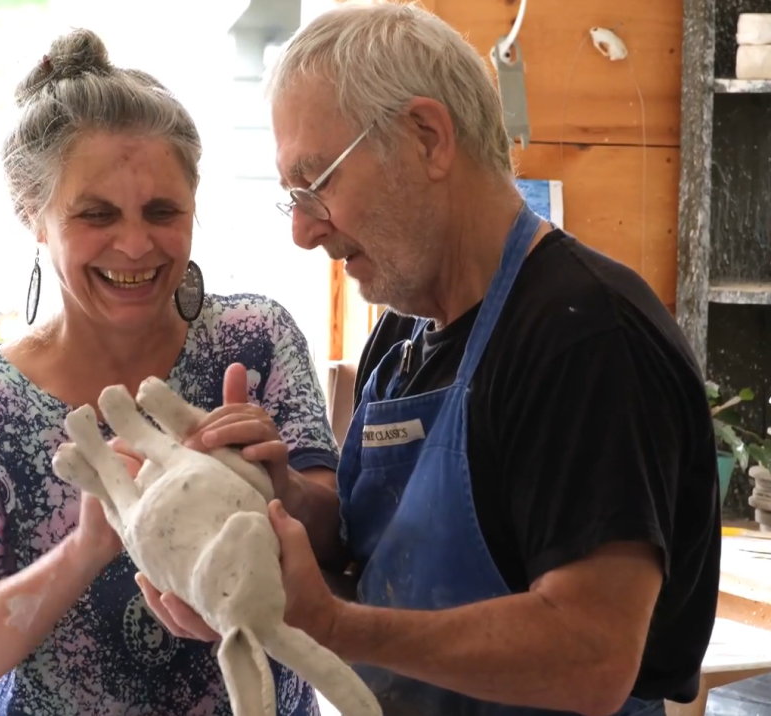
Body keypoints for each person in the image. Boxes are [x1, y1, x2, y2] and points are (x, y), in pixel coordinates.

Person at [138, 4, 722, 716]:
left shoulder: (585, 334)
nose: (302, 230)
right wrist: (280, 502)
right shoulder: (400, 339)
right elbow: (377, 567)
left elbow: (593, 652)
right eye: (291, 197)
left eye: (316, 183)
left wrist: (330, 625)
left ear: (427, 138)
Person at [0, 28, 341, 716]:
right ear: (34, 216)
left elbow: (337, 545)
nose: (135, 245)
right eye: (96, 215)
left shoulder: (254, 340)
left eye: (163, 212)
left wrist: (277, 483)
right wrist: (88, 544)